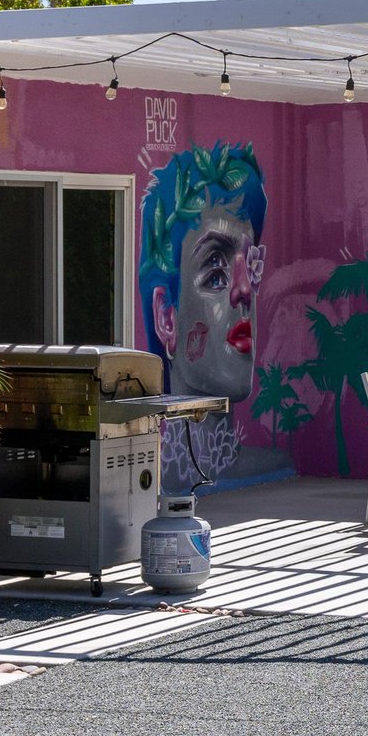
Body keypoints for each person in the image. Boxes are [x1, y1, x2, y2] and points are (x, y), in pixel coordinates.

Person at [138, 142, 269, 486]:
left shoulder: (274, 464)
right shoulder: (139, 480)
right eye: (215, 271)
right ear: (166, 318)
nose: (245, 290)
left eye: (249, 265)